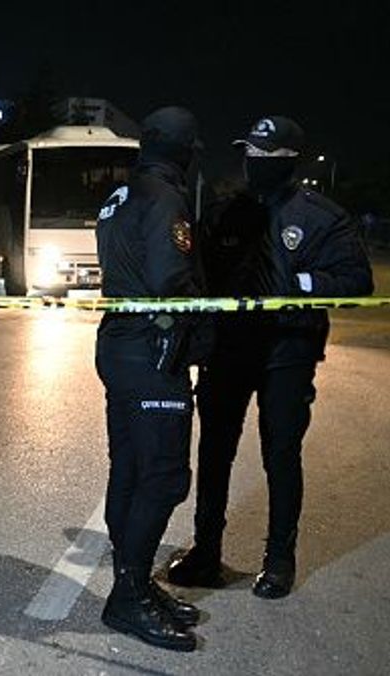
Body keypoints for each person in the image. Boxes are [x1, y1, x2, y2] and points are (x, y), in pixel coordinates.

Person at [167, 117, 374, 599]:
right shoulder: (225, 212)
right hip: (229, 350)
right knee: (214, 451)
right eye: (250, 155)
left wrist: (299, 285)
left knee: (280, 453)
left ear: (288, 162)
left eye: (265, 157)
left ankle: (279, 559)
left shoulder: (322, 217)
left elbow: (356, 280)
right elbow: (199, 273)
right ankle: (206, 552)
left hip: (287, 350)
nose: (253, 165)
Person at [94, 107, 209, 651]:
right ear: (182, 151)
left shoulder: (121, 194)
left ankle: (131, 582)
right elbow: (169, 278)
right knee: (163, 477)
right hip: (152, 350)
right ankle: (129, 597)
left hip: (119, 343)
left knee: (131, 468)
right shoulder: (166, 198)